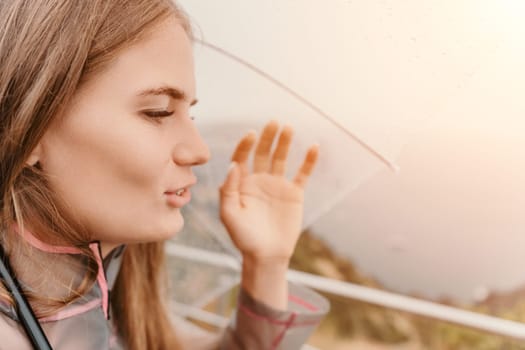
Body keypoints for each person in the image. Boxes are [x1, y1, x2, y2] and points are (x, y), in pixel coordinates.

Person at [0, 0, 329, 349]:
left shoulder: (112, 304)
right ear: (28, 130)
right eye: (158, 112)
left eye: (191, 116)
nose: (199, 150)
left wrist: (267, 265)